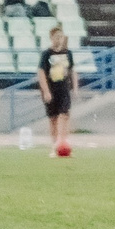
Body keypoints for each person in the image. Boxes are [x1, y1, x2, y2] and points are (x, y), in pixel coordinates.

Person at [36, 24, 75, 155]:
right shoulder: (47, 54)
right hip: (51, 89)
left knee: (64, 115)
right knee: (53, 119)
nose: (59, 39)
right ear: (51, 38)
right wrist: (46, 91)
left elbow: (72, 70)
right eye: (56, 36)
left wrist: (75, 86)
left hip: (64, 88)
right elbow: (41, 73)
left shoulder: (68, 53)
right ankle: (54, 145)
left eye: (61, 36)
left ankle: (64, 142)